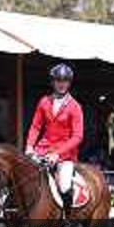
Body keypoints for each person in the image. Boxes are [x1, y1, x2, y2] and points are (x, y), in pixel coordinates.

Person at [25, 63, 84, 217]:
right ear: (53, 82)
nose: (62, 84)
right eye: (58, 80)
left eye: (65, 81)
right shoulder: (44, 101)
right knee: (24, 176)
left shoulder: (75, 107)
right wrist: (30, 146)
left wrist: (57, 153)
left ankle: (67, 220)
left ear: (69, 83)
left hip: (65, 154)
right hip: (42, 149)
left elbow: (78, 136)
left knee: (64, 186)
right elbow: (36, 127)